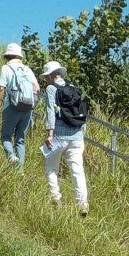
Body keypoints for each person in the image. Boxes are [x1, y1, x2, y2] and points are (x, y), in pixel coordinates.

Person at [41, 61, 88, 215]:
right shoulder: (73, 87)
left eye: (46, 77)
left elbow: (50, 112)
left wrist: (50, 134)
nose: (45, 79)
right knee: (77, 170)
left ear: (51, 75)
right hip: (77, 135)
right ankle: (82, 204)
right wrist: (81, 132)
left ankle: (56, 198)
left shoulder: (51, 88)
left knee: (51, 167)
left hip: (59, 135)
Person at [0, 43, 39, 169]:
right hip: (27, 108)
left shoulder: (6, 68)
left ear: (7, 56)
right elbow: (37, 88)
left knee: (5, 137)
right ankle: (20, 171)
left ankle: (11, 157)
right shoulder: (27, 69)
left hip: (11, 107)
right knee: (20, 140)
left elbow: (1, 89)